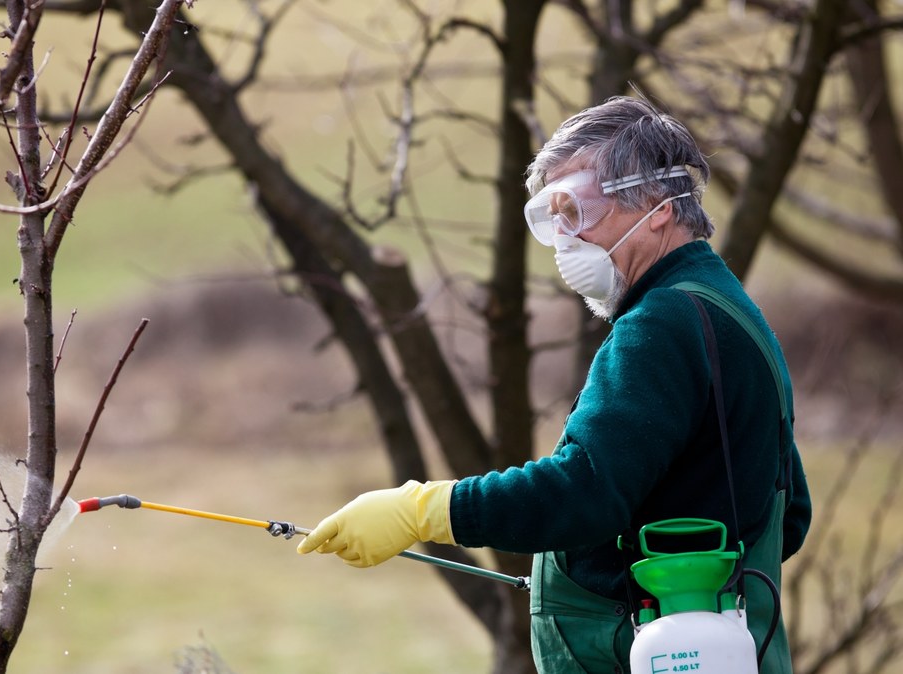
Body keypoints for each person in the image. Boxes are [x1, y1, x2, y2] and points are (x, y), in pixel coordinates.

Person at [296, 96, 812, 673]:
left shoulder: (661, 326)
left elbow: (583, 492)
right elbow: (788, 518)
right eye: (552, 216)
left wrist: (425, 509)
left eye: (578, 209)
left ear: (658, 205)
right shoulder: (728, 310)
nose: (565, 237)